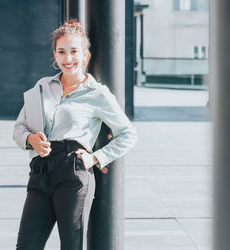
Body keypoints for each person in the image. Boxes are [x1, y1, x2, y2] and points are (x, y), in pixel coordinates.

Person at [13, 19, 137, 250]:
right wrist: (30, 140)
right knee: (26, 246)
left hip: (73, 173)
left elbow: (128, 133)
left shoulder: (97, 94)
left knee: (71, 245)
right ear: (55, 55)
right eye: (62, 52)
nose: (68, 59)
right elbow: (19, 127)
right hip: (40, 172)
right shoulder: (42, 86)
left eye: (73, 52)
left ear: (85, 55)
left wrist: (96, 157)